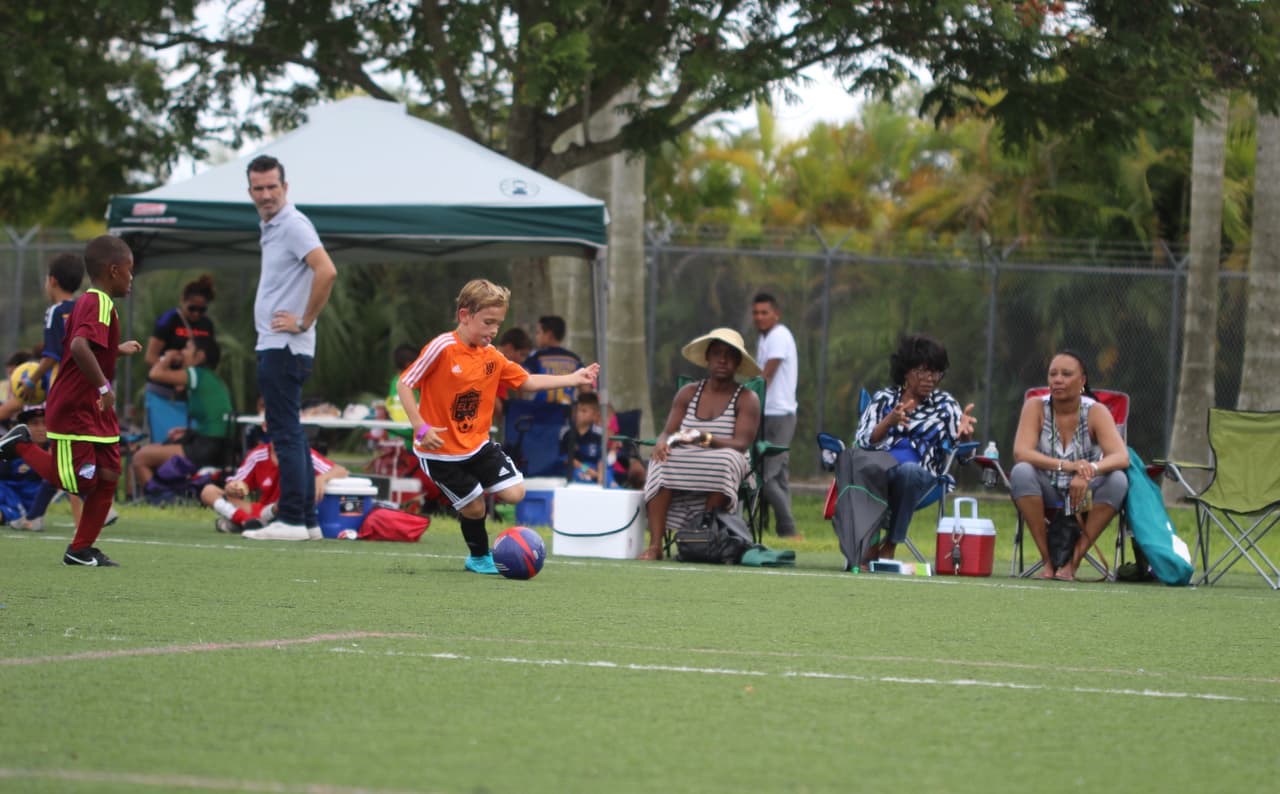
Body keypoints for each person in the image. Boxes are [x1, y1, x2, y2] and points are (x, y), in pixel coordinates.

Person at [397, 279, 598, 574]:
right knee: (476, 506)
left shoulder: (492, 355)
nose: (493, 331)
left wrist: (573, 378)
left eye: (498, 324)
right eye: (487, 322)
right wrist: (420, 427)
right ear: (464, 315)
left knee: (516, 493)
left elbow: (527, 381)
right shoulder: (442, 347)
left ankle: (471, 496)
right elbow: (405, 383)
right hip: (440, 453)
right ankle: (478, 556)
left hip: (477, 445)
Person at [0, 235, 142, 567]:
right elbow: (78, 347)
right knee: (80, 480)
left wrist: (114, 350)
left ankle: (80, 549)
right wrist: (105, 387)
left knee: (108, 475)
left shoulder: (94, 304)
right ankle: (21, 444)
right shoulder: (97, 303)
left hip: (93, 405)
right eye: (129, 270)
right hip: (77, 404)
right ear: (113, 270)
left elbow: (87, 345)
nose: (131, 277)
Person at [240, 154, 338, 542]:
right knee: (291, 431)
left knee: (284, 433)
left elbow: (326, 269)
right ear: (250, 191)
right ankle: (308, 522)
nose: (266, 194)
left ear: (286, 187)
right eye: (259, 188)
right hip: (281, 346)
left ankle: (293, 520)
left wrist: (305, 320)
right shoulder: (273, 225)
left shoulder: (293, 224)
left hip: (284, 345)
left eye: (272, 187)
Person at [639, 328, 761, 561]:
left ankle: (703, 537)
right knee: (661, 461)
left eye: (729, 355)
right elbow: (668, 432)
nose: (722, 359)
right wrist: (661, 443)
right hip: (688, 455)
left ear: (737, 362)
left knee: (726, 460)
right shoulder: (688, 393)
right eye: (717, 353)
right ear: (708, 359)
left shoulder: (747, 398)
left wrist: (704, 438)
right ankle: (655, 546)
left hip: (727, 454)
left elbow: (742, 444)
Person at [855, 334, 977, 564]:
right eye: (923, 371)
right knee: (868, 468)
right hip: (880, 472)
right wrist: (889, 421)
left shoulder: (946, 405)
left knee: (909, 471)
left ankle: (890, 544)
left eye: (936, 372)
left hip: (921, 478)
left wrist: (966, 433)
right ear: (906, 371)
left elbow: (965, 458)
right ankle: (869, 545)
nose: (930, 378)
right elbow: (863, 441)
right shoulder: (883, 399)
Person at [1009, 350, 1130, 581]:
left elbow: (1121, 457)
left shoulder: (1096, 411)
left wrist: (1088, 471)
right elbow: (1021, 452)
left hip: (1085, 492)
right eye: (1053, 374)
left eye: (1066, 374)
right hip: (1047, 485)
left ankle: (1072, 563)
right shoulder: (1035, 407)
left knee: (1118, 480)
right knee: (1021, 472)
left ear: (1082, 380)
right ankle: (1048, 561)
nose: (1057, 379)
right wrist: (1068, 466)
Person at [129, 339, 233, 492]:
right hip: (217, 445)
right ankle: (164, 493)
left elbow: (155, 374)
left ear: (199, 356)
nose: (182, 351)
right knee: (155, 449)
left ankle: (159, 498)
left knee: (139, 458)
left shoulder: (196, 373)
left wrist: (168, 358)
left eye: (187, 348)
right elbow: (213, 420)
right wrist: (188, 433)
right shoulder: (211, 378)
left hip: (207, 447)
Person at [201, 436, 348, 534]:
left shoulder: (303, 454)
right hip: (262, 510)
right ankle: (247, 522)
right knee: (209, 491)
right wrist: (232, 488)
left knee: (288, 500)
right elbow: (237, 484)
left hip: (291, 510)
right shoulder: (258, 455)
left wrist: (321, 478)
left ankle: (240, 523)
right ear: (266, 428)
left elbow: (341, 471)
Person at [142, 274, 219, 443]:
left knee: (188, 443)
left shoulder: (207, 325)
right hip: (164, 394)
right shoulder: (169, 320)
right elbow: (150, 356)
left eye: (202, 310)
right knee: (164, 441)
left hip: (191, 395)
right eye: (192, 308)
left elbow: (210, 358)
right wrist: (172, 374)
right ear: (182, 301)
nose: (196, 314)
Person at [752, 292, 801, 539]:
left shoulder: (779, 335)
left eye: (764, 312)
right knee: (779, 475)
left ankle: (790, 529)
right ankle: (786, 531)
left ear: (776, 314)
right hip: (768, 413)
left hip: (779, 414)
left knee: (765, 475)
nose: (759, 317)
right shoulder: (765, 338)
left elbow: (765, 377)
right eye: (756, 313)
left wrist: (743, 398)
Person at [0, 404, 47, 527]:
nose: (41, 428)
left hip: (23, 506)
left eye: (45, 423)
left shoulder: (55, 452)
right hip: (5, 494)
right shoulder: (12, 449)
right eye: (35, 423)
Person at [522, 315, 584, 405]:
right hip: (565, 414)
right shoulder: (574, 359)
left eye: (538, 332)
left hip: (541, 412)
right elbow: (586, 389)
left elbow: (521, 379)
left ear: (549, 335)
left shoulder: (538, 357)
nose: (536, 337)